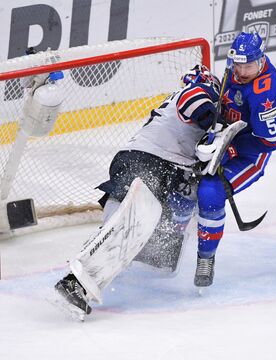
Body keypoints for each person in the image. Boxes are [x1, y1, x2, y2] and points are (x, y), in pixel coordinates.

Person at [54, 65, 221, 316]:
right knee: (126, 226)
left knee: (146, 239)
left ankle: (84, 278)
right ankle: (74, 282)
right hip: (147, 160)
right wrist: (216, 125)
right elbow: (195, 102)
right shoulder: (197, 90)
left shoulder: (181, 99)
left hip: (152, 162)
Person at [192, 31, 276, 287]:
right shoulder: (236, 70)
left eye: (249, 66)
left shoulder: (264, 94)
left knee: (210, 193)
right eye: (238, 65)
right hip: (223, 140)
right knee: (181, 182)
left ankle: (206, 258)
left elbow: (271, 142)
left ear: (261, 60)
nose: (242, 72)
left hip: (249, 154)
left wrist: (229, 147)